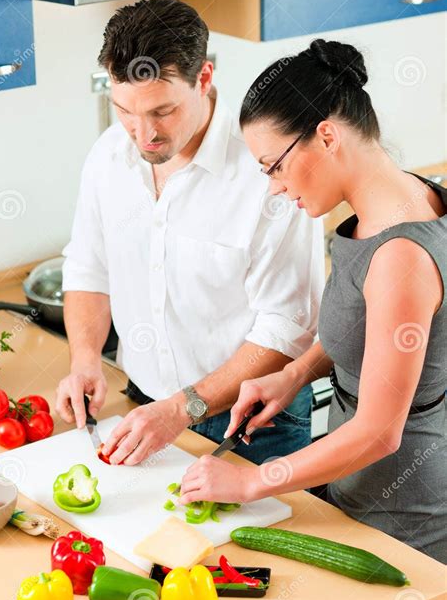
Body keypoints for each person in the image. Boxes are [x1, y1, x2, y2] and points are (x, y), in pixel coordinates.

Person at [179, 39, 447, 563]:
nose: (274, 187)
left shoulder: (400, 255)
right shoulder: (408, 195)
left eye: (273, 166)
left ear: (326, 136)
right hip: (361, 502)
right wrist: (296, 373)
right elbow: (378, 330)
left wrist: (252, 481)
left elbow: (377, 433)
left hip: (406, 528)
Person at [55, 0, 325, 466]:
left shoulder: (267, 169)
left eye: (162, 111)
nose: (143, 134)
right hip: (147, 404)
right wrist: (85, 360)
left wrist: (184, 408)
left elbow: (288, 327)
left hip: (254, 422)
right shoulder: (107, 156)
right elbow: (88, 269)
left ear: (204, 78)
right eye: (124, 111)